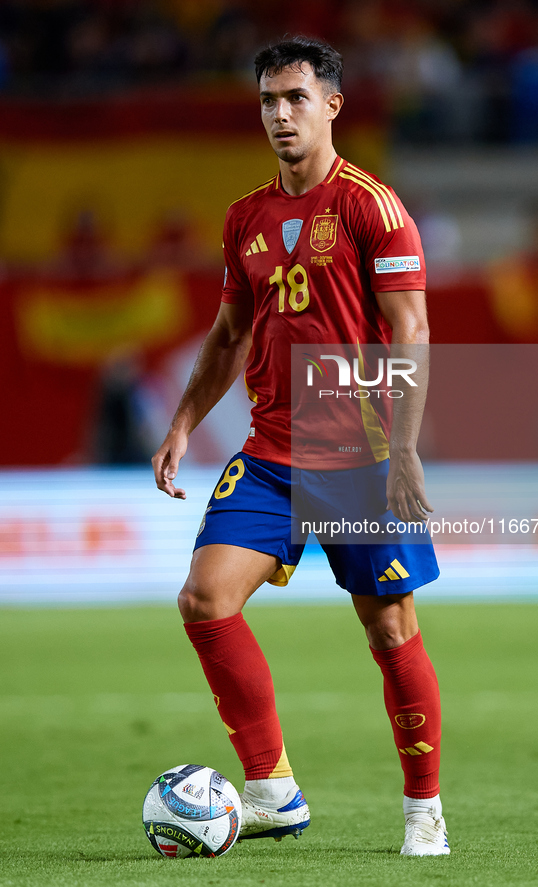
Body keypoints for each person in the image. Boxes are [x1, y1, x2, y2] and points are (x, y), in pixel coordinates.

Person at [152, 36, 449, 857]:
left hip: (360, 457)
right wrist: (180, 423)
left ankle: (423, 809)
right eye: (267, 101)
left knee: (389, 632)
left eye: (294, 98)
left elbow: (411, 328)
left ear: (331, 106)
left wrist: (406, 448)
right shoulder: (245, 217)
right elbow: (226, 336)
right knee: (204, 599)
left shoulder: (369, 207)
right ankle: (271, 789)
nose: (280, 115)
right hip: (273, 452)